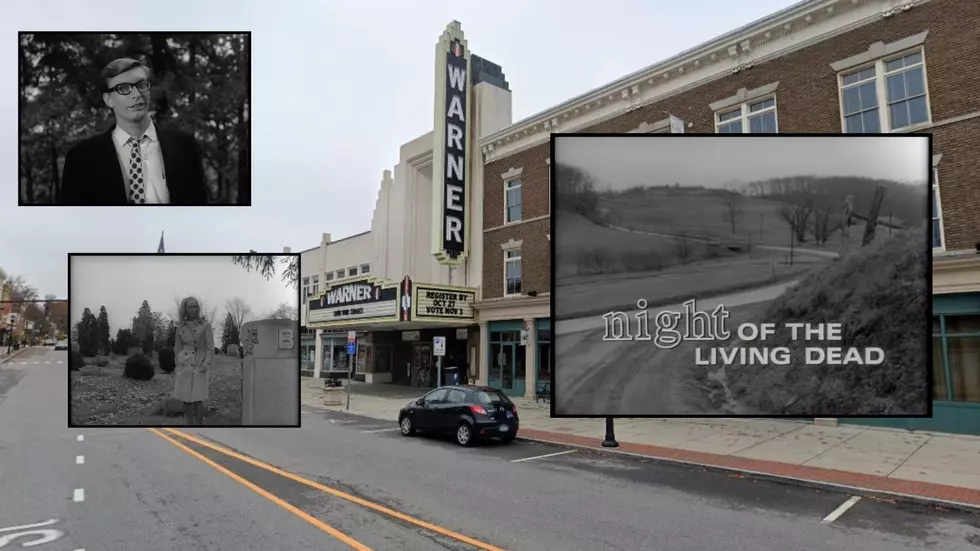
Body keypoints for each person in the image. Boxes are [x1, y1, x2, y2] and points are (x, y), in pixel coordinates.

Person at [60, 57, 208, 205]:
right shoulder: (81, 158)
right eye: (123, 88)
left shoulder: (184, 146)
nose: (137, 94)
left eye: (142, 85)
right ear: (108, 99)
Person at [173, 296, 214, 425]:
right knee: (186, 398)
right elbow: (177, 347)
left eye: (195, 306)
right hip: (185, 363)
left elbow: (210, 347)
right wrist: (178, 364)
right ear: (185, 309)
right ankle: (188, 425)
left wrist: (206, 364)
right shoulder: (180, 327)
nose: (193, 309)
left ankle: (199, 425)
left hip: (200, 362)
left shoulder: (206, 325)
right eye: (189, 307)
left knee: (198, 398)